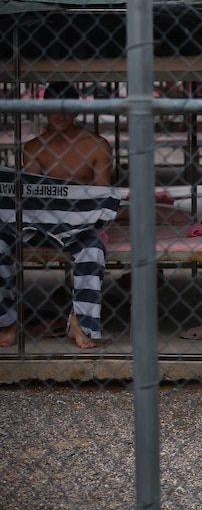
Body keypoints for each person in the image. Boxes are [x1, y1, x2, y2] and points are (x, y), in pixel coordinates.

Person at [0, 81, 113, 349]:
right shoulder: (33, 148)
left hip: (78, 226)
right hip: (36, 225)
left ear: (75, 110)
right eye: (53, 109)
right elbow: (29, 200)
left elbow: (101, 199)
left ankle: (80, 322)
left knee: (93, 250)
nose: (59, 115)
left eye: (65, 109)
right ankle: (9, 322)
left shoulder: (97, 146)